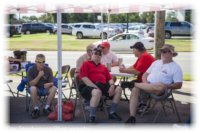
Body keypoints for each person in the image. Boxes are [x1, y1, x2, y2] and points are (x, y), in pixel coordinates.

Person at [125, 44, 183, 123]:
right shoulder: (156, 62)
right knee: (135, 90)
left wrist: (166, 86)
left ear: (172, 54)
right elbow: (145, 74)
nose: (163, 53)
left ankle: (132, 84)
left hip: (161, 90)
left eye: (165, 51)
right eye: (162, 51)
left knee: (160, 85)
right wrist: (146, 83)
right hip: (147, 86)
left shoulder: (176, 67)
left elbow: (179, 85)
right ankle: (132, 117)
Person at [78, 48, 122, 123]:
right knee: (97, 92)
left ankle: (112, 112)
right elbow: (84, 78)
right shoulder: (86, 64)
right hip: (88, 86)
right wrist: (95, 87)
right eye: (96, 53)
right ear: (92, 54)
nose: (98, 55)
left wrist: (112, 85)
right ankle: (92, 116)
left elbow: (109, 78)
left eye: (100, 54)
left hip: (102, 86)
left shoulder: (103, 67)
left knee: (119, 89)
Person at [119, 42, 155, 113]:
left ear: (137, 50)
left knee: (129, 84)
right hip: (144, 79)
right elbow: (134, 66)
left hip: (148, 81)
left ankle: (144, 104)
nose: (133, 52)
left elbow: (137, 71)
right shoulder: (142, 56)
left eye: (133, 50)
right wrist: (125, 69)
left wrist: (124, 70)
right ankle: (141, 101)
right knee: (127, 83)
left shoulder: (145, 56)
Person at [27, 54, 57, 119]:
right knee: (32, 88)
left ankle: (47, 107)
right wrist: (39, 76)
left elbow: (52, 82)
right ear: (35, 62)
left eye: (43, 62)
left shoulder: (48, 69)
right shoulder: (31, 70)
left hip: (45, 89)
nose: (41, 64)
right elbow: (31, 84)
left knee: (54, 88)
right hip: (36, 89)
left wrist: (49, 84)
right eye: (39, 62)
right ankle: (36, 108)